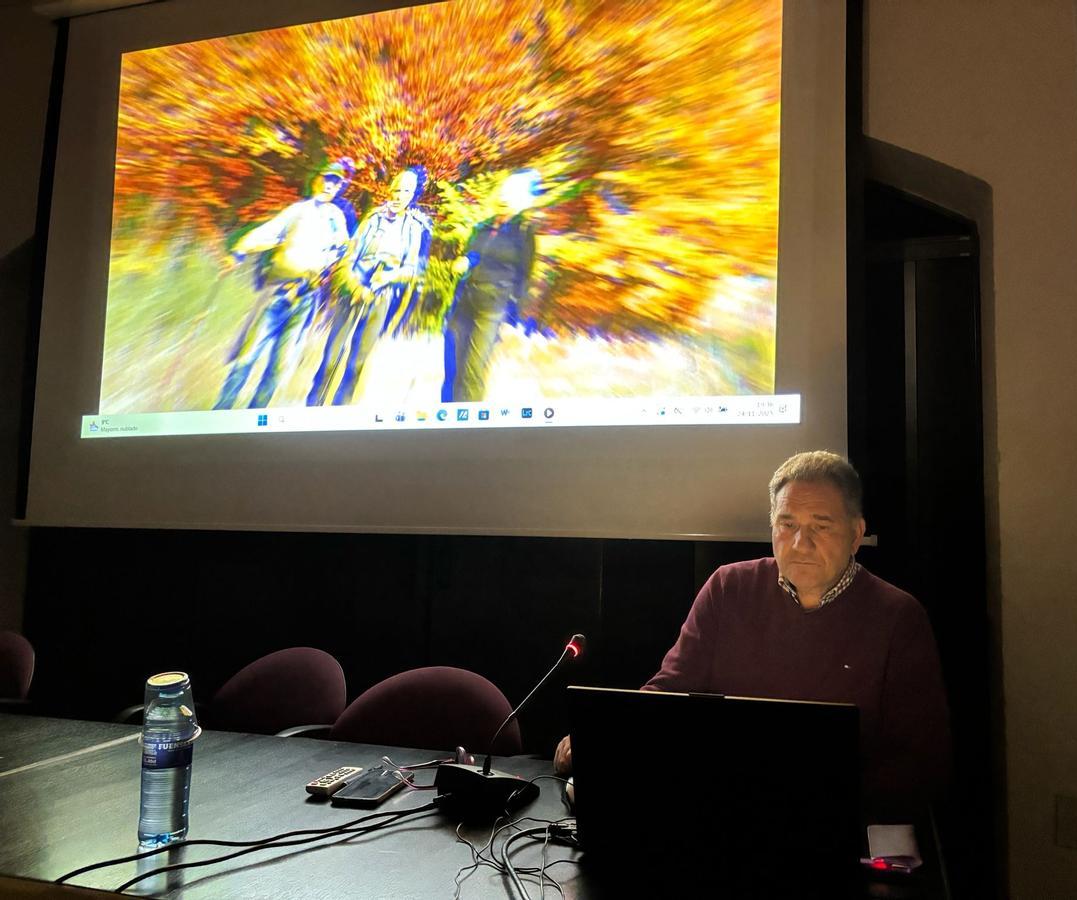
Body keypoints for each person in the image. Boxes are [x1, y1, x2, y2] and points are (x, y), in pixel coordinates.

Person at [554, 450, 952, 815]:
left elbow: (922, 764)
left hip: (836, 820)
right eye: (787, 524)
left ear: (855, 534)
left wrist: (809, 793)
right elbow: (669, 690)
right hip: (717, 806)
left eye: (821, 526)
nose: (800, 543)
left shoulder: (898, 617)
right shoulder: (729, 588)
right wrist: (608, 738)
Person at [213, 163, 350, 410]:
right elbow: (270, 232)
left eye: (336, 182)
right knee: (247, 356)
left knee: (279, 367)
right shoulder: (298, 210)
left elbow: (342, 251)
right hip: (276, 292)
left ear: (340, 187)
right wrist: (239, 252)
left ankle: (255, 422)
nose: (330, 185)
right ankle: (220, 415)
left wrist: (329, 269)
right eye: (327, 179)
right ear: (318, 180)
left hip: (306, 299)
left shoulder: (337, 219)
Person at [306, 167, 431, 407]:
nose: (399, 195)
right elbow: (349, 257)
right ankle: (312, 411)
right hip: (352, 294)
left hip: (380, 298)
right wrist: (354, 286)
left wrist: (383, 280)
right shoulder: (373, 218)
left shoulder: (414, 228)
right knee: (331, 358)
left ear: (412, 195)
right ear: (390, 189)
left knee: (357, 362)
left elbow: (412, 269)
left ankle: (341, 414)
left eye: (406, 191)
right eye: (397, 189)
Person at [441, 169, 539, 402]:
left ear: (521, 201)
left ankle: (469, 430)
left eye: (512, 195)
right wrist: (464, 260)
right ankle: (443, 424)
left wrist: (516, 313)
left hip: (493, 308)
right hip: (464, 302)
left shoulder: (524, 232)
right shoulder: (481, 226)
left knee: (473, 371)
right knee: (452, 369)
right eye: (503, 193)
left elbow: (525, 274)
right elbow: (472, 254)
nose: (505, 198)